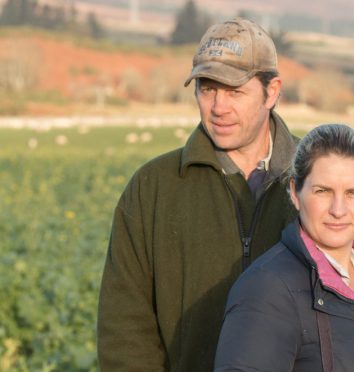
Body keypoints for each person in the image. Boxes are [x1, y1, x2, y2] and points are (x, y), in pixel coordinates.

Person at [97, 18, 300, 371]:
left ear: (273, 91)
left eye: (235, 91)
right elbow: (124, 328)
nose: (218, 107)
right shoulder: (153, 187)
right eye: (207, 89)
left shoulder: (324, 183)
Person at [214, 124, 354, 372]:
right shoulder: (268, 289)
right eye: (323, 191)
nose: (338, 210)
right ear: (295, 192)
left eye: (353, 193)